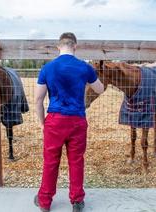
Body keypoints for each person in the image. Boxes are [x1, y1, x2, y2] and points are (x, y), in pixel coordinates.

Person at [34, 32, 104, 212]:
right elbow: (100, 89)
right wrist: (86, 82)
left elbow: (38, 100)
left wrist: (43, 123)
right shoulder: (84, 67)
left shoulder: (47, 68)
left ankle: (44, 201)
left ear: (59, 46)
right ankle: (77, 201)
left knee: (50, 161)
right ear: (75, 46)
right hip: (77, 120)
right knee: (76, 161)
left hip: (55, 120)